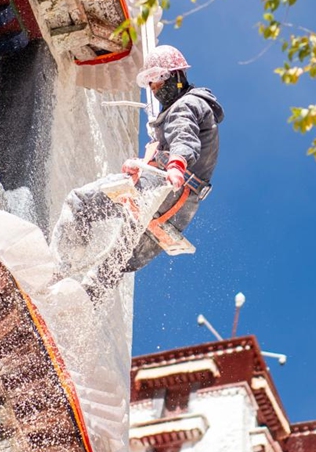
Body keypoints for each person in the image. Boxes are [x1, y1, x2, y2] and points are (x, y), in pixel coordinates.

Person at [51, 45, 225, 299]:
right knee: (117, 261)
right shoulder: (198, 108)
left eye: (156, 81)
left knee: (80, 203)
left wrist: (175, 165)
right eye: (151, 84)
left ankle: (57, 270)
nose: (154, 89)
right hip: (181, 209)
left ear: (175, 76)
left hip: (163, 188)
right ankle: (81, 306)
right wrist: (144, 162)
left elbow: (184, 138)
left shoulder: (185, 105)